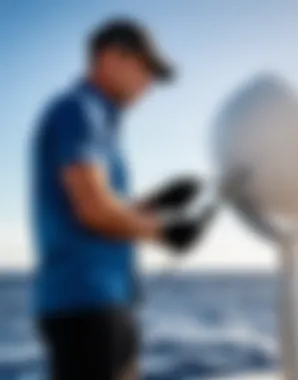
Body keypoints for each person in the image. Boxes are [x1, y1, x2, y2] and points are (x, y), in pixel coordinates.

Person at [31, 18, 213, 380]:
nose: (149, 84)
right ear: (112, 57)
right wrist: (164, 231)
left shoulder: (92, 118)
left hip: (97, 304)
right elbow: (94, 210)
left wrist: (154, 204)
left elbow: (99, 206)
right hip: (88, 304)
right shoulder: (81, 111)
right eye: (146, 68)